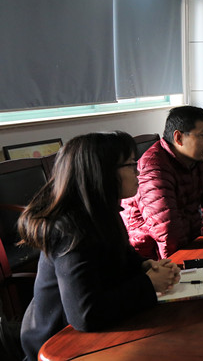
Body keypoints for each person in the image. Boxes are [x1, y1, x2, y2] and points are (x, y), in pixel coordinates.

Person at [18, 132, 181, 361]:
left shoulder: (102, 211)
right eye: (130, 164)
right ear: (102, 172)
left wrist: (146, 265)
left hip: (98, 331)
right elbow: (85, 314)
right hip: (59, 344)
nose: (138, 171)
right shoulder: (71, 229)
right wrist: (148, 284)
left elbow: (122, 256)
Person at [121, 106, 203, 260]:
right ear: (178, 137)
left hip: (190, 244)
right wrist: (179, 267)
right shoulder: (153, 169)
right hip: (150, 258)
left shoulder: (197, 160)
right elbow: (167, 232)